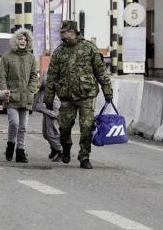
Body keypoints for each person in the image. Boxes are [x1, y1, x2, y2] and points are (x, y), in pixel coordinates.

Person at [44, 20, 113, 170]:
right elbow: (52, 76)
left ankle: (84, 156)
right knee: (64, 128)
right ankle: (66, 147)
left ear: (72, 32)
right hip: (67, 97)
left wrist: (107, 90)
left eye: (64, 32)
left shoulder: (89, 48)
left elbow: (100, 71)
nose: (61, 35)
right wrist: (48, 96)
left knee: (86, 127)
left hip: (86, 95)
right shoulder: (59, 52)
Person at [0, 28, 38, 163]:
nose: (23, 41)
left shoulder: (31, 57)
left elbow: (34, 75)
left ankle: (20, 150)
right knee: (14, 123)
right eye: (20, 39)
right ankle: (10, 145)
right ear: (15, 40)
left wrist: (31, 89)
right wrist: (4, 92)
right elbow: (2, 76)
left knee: (23, 126)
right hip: (11, 96)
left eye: (25, 39)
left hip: (26, 97)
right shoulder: (6, 56)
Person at [33, 72, 62, 162]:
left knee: (51, 134)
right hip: (47, 114)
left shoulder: (54, 96)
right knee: (46, 134)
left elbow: (56, 113)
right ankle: (54, 148)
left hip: (51, 116)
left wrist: (43, 109)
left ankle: (60, 151)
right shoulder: (41, 92)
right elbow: (35, 106)